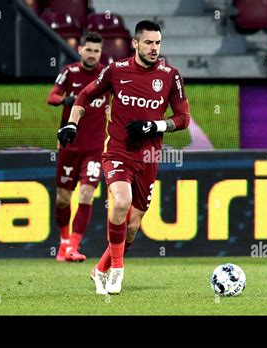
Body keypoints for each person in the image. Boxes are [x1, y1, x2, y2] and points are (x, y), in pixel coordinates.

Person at [57, 20, 191, 294]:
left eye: (158, 43)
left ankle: (101, 269)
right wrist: (72, 123)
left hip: (150, 157)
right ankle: (118, 269)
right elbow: (83, 96)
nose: (154, 48)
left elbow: (183, 118)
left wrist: (156, 125)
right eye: (149, 43)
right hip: (118, 151)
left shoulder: (170, 75)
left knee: (132, 226)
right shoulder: (116, 71)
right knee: (121, 202)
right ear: (135, 43)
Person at [48, 32, 108, 262]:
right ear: (80, 49)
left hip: (94, 148)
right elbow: (51, 96)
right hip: (69, 147)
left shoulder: (106, 75)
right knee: (63, 199)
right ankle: (63, 243)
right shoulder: (70, 72)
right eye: (88, 49)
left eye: (96, 50)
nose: (92, 54)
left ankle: (73, 246)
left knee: (86, 194)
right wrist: (64, 100)